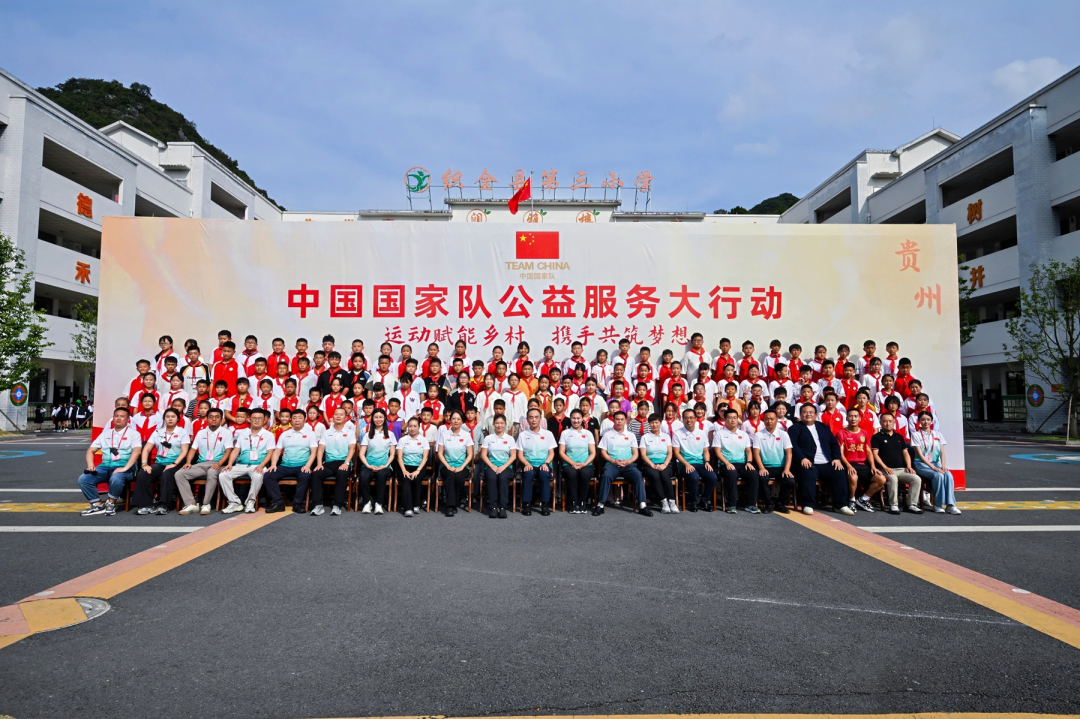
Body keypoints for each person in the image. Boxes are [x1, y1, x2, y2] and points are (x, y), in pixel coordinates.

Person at [788, 404, 851, 515]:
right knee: (807, 472)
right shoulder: (794, 428)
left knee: (839, 472)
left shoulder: (823, 427)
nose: (808, 414)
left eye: (811, 412)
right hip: (808, 461)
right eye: (805, 412)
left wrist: (836, 458)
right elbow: (793, 446)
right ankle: (808, 504)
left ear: (816, 415)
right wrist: (802, 458)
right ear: (800, 414)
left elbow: (834, 444)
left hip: (826, 461)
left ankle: (841, 505)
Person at [78, 407, 142, 516]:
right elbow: (90, 450)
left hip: (124, 466)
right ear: (113, 418)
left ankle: (111, 503)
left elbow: (137, 451)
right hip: (104, 466)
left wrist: (125, 468)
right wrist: (90, 465)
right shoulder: (105, 434)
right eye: (116, 416)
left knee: (116, 478)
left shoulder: (134, 434)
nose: (118, 418)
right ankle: (97, 504)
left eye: (122, 416)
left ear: (128, 419)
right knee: (84, 479)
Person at [174, 408, 233, 515]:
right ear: (207, 419)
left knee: (211, 472)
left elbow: (228, 451)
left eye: (217, 417)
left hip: (217, 464)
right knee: (179, 474)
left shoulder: (226, 433)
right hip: (201, 464)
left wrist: (219, 463)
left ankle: (206, 504)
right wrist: (188, 462)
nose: (214, 419)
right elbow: (193, 449)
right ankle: (191, 504)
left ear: (221, 419)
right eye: (211, 417)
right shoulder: (201, 433)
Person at [132, 407, 189, 515]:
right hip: (160, 463)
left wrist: (174, 464)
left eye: (173, 417)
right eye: (167, 417)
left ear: (178, 418)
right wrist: (144, 464)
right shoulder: (158, 432)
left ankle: (163, 504)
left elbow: (184, 451)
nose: (170, 419)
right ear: (164, 418)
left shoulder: (182, 432)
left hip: (177, 464)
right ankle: (147, 505)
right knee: (143, 473)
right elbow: (146, 449)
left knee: (167, 473)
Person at [218, 407, 275, 513]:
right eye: (254, 418)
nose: (257, 420)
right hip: (241, 464)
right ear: (249, 419)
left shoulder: (269, 435)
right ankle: (234, 502)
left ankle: (250, 501)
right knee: (223, 474)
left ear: (264, 420)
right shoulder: (243, 433)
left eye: (259, 418)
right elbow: (236, 450)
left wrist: (262, 465)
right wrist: (230, 464)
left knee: (258, 476)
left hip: (258, 465)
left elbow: (270, 453)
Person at [595, 411, 652, 517]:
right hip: (612, 464)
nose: (619, 421)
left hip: (628, 465)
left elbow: (635, 453)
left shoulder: (631, 435)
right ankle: (600, 505)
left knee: (638, 475)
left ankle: (642, 505)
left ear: (625, 421)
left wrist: (628, 462)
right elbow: (603, 452)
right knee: (606, 475)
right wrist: (613, 461)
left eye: (622, 419)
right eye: (617, 419)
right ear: (613, 420)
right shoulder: (607, 435)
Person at [262, 409, 318, 513]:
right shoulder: (285, 434)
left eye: (300, 418)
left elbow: (314, 452)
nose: (297, 420)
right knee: (268, 475)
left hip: (302, 466)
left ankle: (297, 504)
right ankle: (278, 503)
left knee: (305, 476)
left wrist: (307, 466)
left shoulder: (311, 434)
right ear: (291, 420)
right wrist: (273, 464)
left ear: (305, 420)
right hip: (285, 465)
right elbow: (277, 451)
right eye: (294, 418)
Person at [303, 406, 356, 516]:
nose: (338, 416)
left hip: (343, 462)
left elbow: (352, 448)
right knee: (316, 473)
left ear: (346, 417)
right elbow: (321, 448)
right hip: (329, 463)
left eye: (341, 414)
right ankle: (317, 505)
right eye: (336, 414)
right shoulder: (326, 432)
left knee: (342, 473)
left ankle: (337, 505)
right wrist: (319, 464)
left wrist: (346, 463)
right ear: (332, 417)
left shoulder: (350, 432)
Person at [870, 412, 923, 515]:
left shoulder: (899, 437)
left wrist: (909, 466)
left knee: (916, 479)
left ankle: (911, 505)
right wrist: (885, 467)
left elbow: (905, 453)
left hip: (901, 469)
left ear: (894, 422)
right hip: (884, 470)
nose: (888, 423)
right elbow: (874, 454)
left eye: (890, 421)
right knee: (893, 478)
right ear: (880, 422)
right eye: (885, 421)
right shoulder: (876, 437)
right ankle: (893, 505)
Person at [908, 411, 961, 514]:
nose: (926, 422)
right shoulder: (916, 435)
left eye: (928, 419)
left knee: (948, 475)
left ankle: (951, 505)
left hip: (936, 464)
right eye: (923, 420)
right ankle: (937, 505)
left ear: (932, 421)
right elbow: (920, 455)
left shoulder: (938, 434)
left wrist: (943, 466)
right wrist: (933, 467)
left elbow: (942, 452)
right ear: (919, 421)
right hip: (921, 464)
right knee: (938, 476)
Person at [836, 407, 886, 514]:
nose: (853, 418)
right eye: (850, 416)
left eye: (855, 416)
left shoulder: (864, 433)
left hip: (863, 464)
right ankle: (852, 501)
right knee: (853, 477)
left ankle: (863, 499)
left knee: (881, 478)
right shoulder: (841, 433)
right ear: (846, 418)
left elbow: (868, 451)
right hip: (848, 464)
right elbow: (840, 453)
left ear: (859, 418)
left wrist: (873, 466)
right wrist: (848, 466)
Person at [711, 408, 760, 514]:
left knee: (754, 474)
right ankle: (731, 504)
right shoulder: (719, 434)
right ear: (725, 419)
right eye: (730, 418)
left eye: (735, 418)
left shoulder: (743, 434)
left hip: (742, 464)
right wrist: (727, 463)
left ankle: (751, 504)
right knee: (732, 473)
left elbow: (748, 451)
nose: (732, 420)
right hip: (726, 464)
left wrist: (749, 462)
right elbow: (717, 452)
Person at [674, 407, 721, 512]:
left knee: (713, 477)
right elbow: (676, 453)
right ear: (683, 419)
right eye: (686, 418)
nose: (689, 420)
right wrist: (686, 464)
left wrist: (707, 462)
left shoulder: (701, 433)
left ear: (695, 419)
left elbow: (705, 450)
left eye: (691, 417)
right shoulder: (678, 433)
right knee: (694, 477)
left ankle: (705, 501)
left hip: (700, 463)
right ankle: (693, 502)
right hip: (685, 464)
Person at [750, 409, 794, 513]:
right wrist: (761, 468)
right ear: (763, 420)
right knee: (762, 478)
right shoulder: (758, 435)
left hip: (781, 467)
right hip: (766, 467)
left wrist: (787, 469)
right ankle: (768, 504)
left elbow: (789, 453)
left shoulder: (783, 434)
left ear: (776, 420)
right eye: (767, 419)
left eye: (772, 419)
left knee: (790, 480)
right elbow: (756, 453)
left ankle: (780, 504)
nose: (769, 421)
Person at [516, 408, 558, 516]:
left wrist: (546, 463)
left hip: (544, 464)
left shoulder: (548, 434)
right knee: (528, 474)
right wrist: (526, 463)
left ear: (540, 419)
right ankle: (526, 504)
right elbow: (520, 454)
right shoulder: (523, 435)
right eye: (531, 417)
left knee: (544, 474)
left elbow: (551, 453)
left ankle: (545, 504)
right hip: (528, 463)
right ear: (527, 419)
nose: (534, 420)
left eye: (536, 417)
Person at [358, 408, 396, 515]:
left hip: (384, 466)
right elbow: (361, 453)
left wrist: (386, 465)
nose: (378, 419)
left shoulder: (390, 434)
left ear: (385, 418)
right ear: (372, 419)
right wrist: (368, 465)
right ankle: (367, 503)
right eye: (376, 417)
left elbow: (392, 454)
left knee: (381, 475)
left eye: (380, 417)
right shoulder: (368, 435)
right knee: (363, 476)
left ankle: (379, 504)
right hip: (368, 465)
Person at [436, 409, 474, 516]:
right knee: (450, 475)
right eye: (453, 418)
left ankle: (453, 503)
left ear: (462, 421)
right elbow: (440, 453)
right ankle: (450, 507)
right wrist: (448, 466)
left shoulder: (466, 435)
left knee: (458, 477)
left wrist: (462, 467)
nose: (456, 421)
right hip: (446, 466)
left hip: (462, 466)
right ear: (450, 420)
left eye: (458, 419)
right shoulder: (444, 434)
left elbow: (470, 454)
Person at [558, 409, 597, 514]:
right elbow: (561, 452)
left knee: (585, 474)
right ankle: (573, 502)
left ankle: (582, 502)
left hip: (586, 464)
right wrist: (572, 463)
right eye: (573, 418)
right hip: (569, 464)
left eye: (578, 418)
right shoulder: (565, 433)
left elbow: (593, 453)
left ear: (582, 419)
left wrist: (584, 464)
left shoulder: (588, 433)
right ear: (570, 419)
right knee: (572, 473)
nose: (576, 420)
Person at [639, 412, 678, 514]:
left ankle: (672, 501)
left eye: (656, 422)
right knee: (655, 475)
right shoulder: (645, 437)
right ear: (649, 424)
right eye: (652, 423)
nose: (654, 425)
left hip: (665, 464)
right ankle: (663, 501)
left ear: (660, 423)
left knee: (665, 475)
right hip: (650, 465)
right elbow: (643, 455)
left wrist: (664, 464)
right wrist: (652, 465)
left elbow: (670, 453)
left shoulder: (666, 436)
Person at [481, 414, 517, 518]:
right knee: (492, 478)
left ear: (505, 424)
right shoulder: (488, 438)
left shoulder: (510, 439)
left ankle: (502, 507)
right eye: (497, 423)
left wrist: (504, 466)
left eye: (501, 423)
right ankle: (493, 507)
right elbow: (483, 454)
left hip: (506, 466)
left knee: (502, 478)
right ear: (493, 424)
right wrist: (492, 466)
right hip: (491, 465)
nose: (499, 425)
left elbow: (513, 455)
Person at [397, 417, 430, 516]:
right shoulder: (402, 440)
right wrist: (404, 470)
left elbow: (425, 458)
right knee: (406, 479)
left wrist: (418, 470)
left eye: (415, 426)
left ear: (419, 427)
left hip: (419, 466)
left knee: (416, 478)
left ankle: (416, 504)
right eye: (410, 426)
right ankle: (408, 508)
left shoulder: (424, 440)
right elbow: (399, 457)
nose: (412, 428)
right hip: (404, 466)